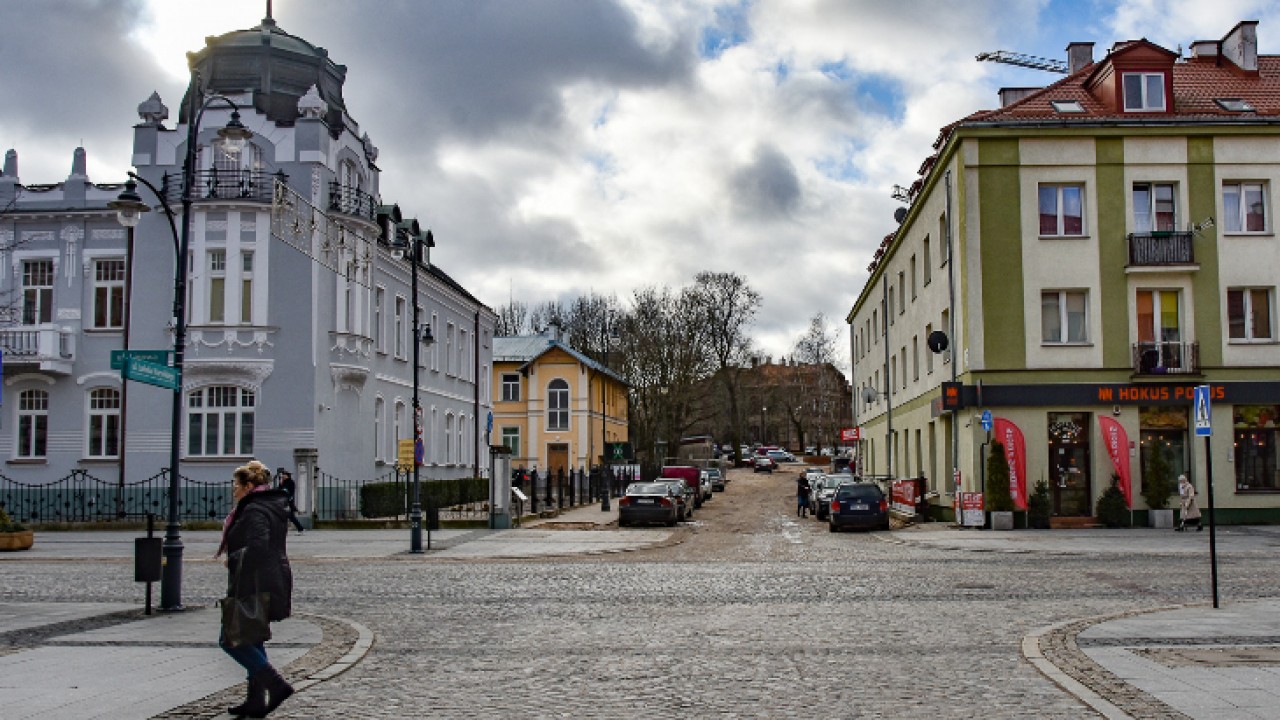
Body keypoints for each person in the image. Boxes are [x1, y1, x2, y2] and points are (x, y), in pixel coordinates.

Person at [215, 460, 296, 717]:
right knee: (253, 636)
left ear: (249, 486)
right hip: (267, 578)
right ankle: (255, 700)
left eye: (236, 485)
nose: (233, 490)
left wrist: (234, 558)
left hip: (257, 580)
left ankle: (276, 684)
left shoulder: (254, 510)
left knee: (231, 639)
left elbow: (258, 547)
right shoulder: (268, 504)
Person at [276, 468, 304, 534]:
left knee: (291, 516)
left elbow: (291, 492)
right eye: (283, 475)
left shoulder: (291, 482)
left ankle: (300, 529)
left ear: (287, 476)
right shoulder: (283, 482)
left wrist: (289, 498)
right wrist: (280, 483)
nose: (283, 476)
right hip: (282, 501)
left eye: (284, 475)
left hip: (288, 502)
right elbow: (279, 490)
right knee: (281, 516)